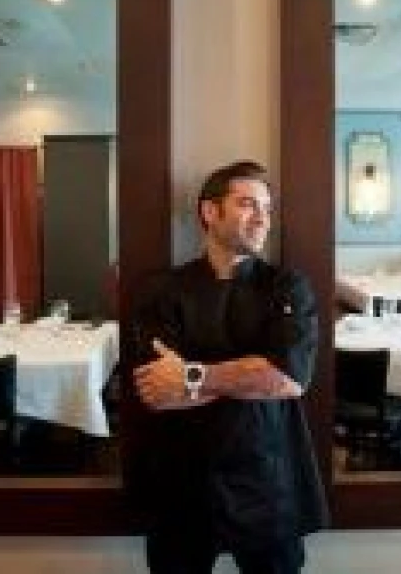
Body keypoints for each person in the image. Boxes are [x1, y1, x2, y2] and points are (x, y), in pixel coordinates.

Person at [130, 160, 327, 574]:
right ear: (210, 211)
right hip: (183, 481)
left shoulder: (287, 287)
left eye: (267, 208)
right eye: (248, 204)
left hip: (266, 478)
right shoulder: (162, 290)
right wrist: (249, 374)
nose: (263, 219)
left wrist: (192, 375)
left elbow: (288, 379)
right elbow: (157, 393)